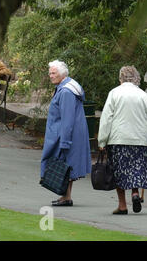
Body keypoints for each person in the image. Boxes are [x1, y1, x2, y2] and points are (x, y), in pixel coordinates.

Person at [98, 65, 147, 215]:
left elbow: (106, 118)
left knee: (119, 171)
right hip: (138, 139)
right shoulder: (143, 95)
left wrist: (102, 141)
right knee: (136, 168)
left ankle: (122, 205)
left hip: (118, 139)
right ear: (136, 78)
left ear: (120, 78)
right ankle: (135, 193)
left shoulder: (114, 93)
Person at [40, 60, 91, 207]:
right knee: (66, 166)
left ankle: (66, 197)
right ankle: (66, 196)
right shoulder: (64, 88)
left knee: (65, 164)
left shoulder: (66, 92)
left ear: (62, 74)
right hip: (68, 133)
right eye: (49, 73)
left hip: (68, 134)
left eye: (53, 73)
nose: (50, 76)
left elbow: (67, 118)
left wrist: (65, 141)